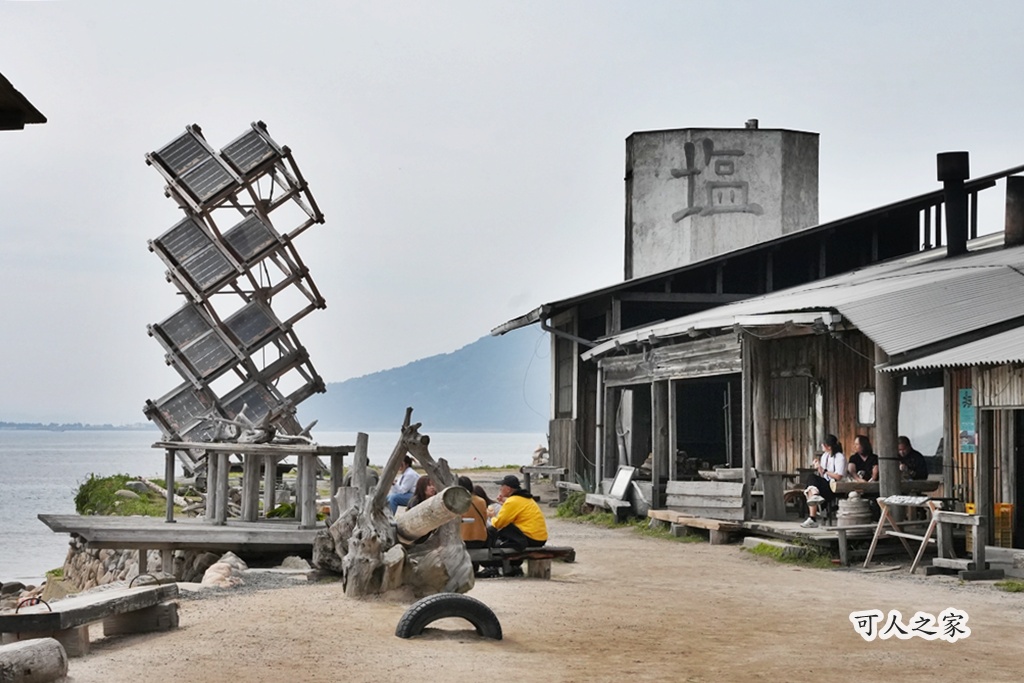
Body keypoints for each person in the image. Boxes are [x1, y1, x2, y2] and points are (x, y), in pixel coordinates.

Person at [488, 474, 547, 576]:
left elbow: (499, 523)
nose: (500, 489)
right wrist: (504, 503)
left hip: (530, 538)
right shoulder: (524, 498)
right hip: (539, 537)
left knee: (495, 531)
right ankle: (513, 566)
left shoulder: (512, 501)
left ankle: (494, 565)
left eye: (502, 486)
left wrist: (492, 516)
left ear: (508, 489)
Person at [801, 434, 846, 528]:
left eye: (823, 445)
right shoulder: (825, 456)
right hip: (827, 483)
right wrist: (819, 467)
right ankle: (815, 497)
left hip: (836, 486)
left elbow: (838, 476)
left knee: (811, 483)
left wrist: (824, 470)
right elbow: (822, 475)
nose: (821, 446)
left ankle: (812, 518)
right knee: (811, 480)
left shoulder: (839, 457)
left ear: (829, 446)